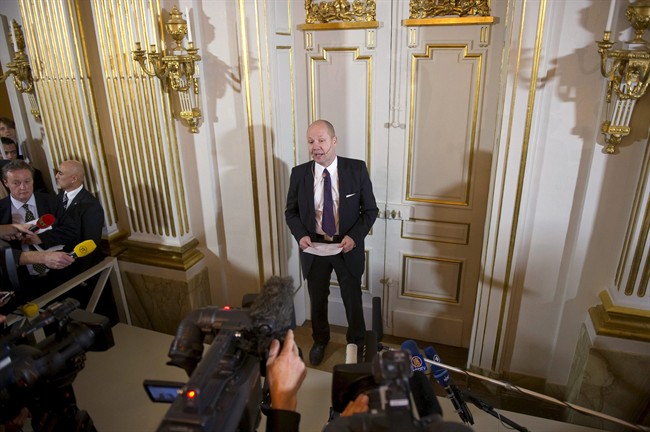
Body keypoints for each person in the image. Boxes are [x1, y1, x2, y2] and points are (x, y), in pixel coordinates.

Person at [285, 120, 378, 365]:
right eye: (310, 141)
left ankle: (356, 343)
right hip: (314, 247)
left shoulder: (356, 169)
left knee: (352, 297)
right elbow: (291, 212)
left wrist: (354, 237)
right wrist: (300, 235)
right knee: (317, 298)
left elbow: (370, 210)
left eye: (321, 140)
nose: (316, 146)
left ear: (334, 141)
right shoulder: (298, 173)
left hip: (346, 247)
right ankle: (320, 340)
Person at [0, 160, 60, 290]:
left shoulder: (52, 201)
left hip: (58, 273)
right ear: (6, 183)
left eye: (27, 181)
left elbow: (69, 231)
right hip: (22, 280)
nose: (23, 187)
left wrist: (40, 239)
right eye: (16, 183)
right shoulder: (1, 210)